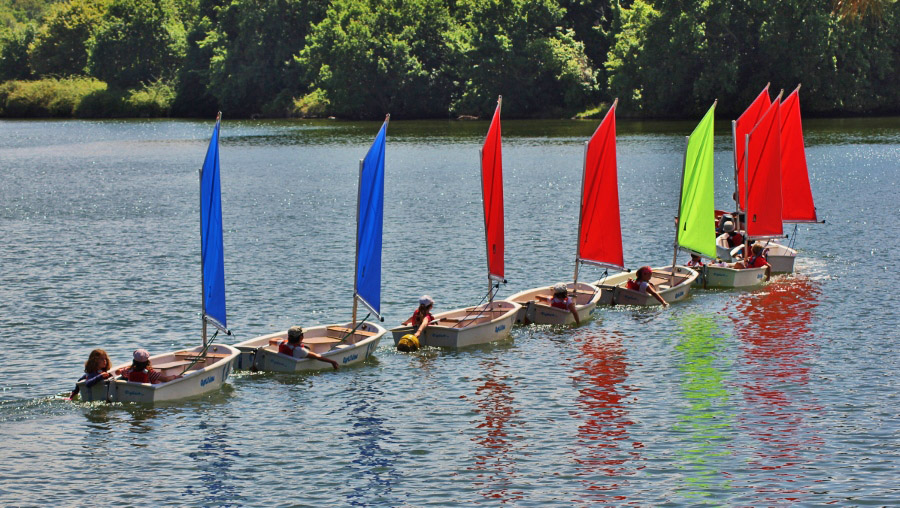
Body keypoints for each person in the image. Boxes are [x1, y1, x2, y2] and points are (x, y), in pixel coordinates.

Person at [115, 349, 180, 384]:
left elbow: (117, 372)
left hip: (132, 392)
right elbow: (165, 379)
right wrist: (175, 376)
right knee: (160, 376)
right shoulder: (150, 373)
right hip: (146, 392)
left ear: (134, 360)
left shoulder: (128, 370)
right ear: (147, 361)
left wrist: (124, 369)